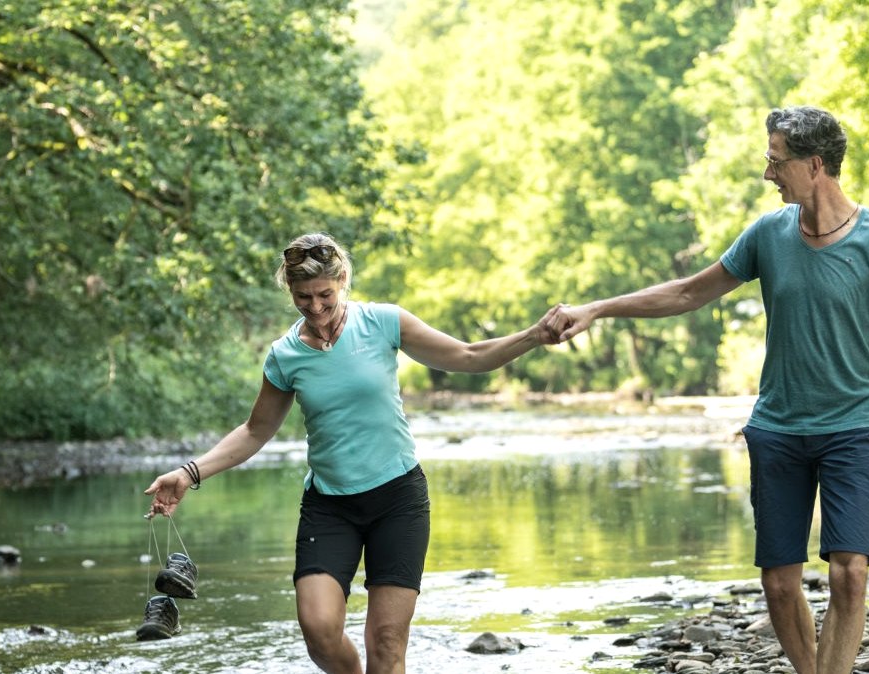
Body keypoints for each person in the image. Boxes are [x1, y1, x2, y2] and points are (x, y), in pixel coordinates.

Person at [551, 105, 869, 674]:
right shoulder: (768, 234)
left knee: (850, 571)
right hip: (779, 430)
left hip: (853, 428)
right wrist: (598, 308)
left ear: (815, 165)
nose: (769, 173)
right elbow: (689, 293)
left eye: (776, 161)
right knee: (780, 583)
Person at [142, 233, 562, 674]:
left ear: (342, 279)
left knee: (386, 641)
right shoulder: (286, 355)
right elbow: (255, 431)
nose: (316, 306)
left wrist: (534, 335)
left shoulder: (383, 322)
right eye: (303, 297)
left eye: (325, 294)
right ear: (290, 292)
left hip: (398, 499)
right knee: (319, 630)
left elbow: (469, 355)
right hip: (330, 506)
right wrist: (190, 472)